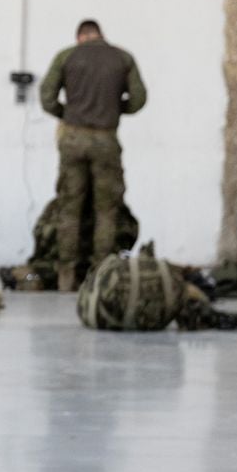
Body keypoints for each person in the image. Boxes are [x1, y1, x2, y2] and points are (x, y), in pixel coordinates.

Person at [40, 19, 148, 292]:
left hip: (72, 138)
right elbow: (139, 98)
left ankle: (66, 276)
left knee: (69, 207)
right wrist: (115, 108)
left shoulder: (66, 56)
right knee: (106, 209)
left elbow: (47, 97)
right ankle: (100, 275)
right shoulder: (123, 58)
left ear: (80, 37)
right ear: (100, 35)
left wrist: (67, 113)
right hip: (105, 138)